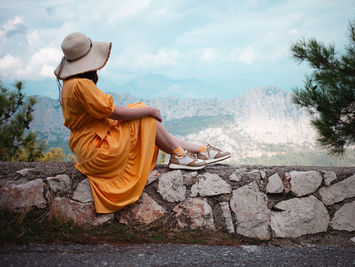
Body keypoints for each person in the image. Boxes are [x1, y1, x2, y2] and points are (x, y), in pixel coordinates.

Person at [54, 32, 230, 213]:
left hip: (88, 148)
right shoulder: (81, 85)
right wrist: (150, 110)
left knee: (142, 116)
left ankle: (196, 150)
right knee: (145, 116)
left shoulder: (70, 84)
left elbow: (106, 112)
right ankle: (182, 154)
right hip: (99, 150)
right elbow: (114, 112)